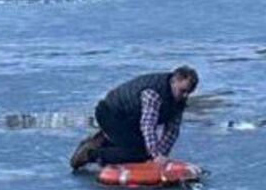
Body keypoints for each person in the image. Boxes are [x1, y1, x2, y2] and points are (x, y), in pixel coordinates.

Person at [69, 66, 199, 172]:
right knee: (136, 153)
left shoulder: (179, 101)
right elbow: (148, 125)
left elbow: (172, 130)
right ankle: (90, 154)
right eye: (183, 91)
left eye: (189, 92)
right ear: (174, 81)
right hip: (110, 114)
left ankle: (104, 140)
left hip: (130, 120)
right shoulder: (154, 93)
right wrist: (155, 155)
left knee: (144, 152)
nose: (185, 96)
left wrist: (161, 155)